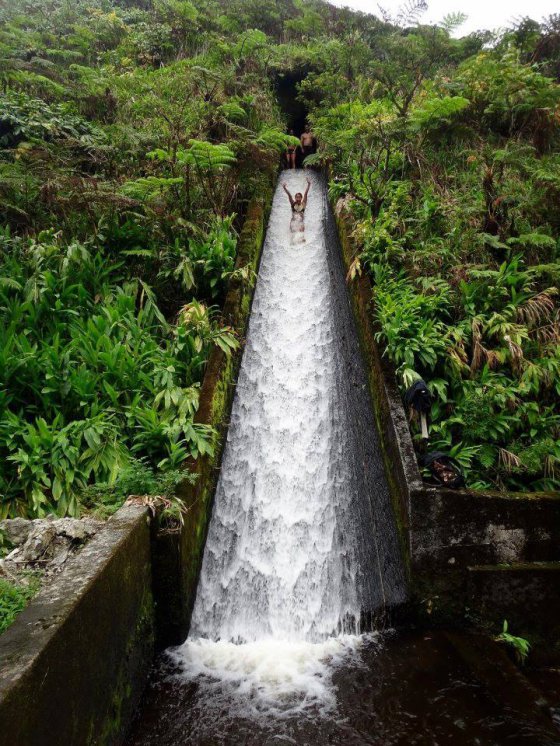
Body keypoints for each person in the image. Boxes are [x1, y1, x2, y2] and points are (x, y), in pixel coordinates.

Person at [282, 179, 311, 244]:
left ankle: (303, 246)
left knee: (302, 236)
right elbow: (289, 195)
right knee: (293, 236)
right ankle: (292, 243)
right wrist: (285, 188)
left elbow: (306, 193)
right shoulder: (293, 203)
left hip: (300, 222)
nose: (298, 198)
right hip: (293, 222)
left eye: (299, 197)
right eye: (297, 197)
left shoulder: (303, 204)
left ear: (301, 198)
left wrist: (309, 185)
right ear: (295, 198)